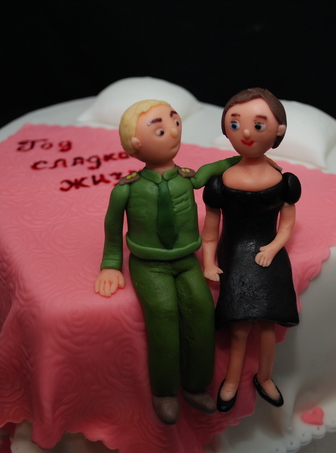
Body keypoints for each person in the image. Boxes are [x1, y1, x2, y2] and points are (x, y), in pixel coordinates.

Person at [95, 100, 238, 425]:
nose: (173, 131)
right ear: (136, 144)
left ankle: (196, 385)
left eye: (175, 122)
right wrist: (111, 264)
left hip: (187, 259)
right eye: (160, 129)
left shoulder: (186, 178)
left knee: (202, 309)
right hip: (149, 265)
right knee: (163, 314)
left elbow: (213, 169)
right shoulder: (126, 190)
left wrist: (243, 158)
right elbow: (112, 228)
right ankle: (164, 391)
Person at [201, 88, 301, 413]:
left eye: (258, 125)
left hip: (270, 255)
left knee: (269, 326)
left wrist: (272, 248)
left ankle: (265, 377)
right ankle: (231, 381)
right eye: (235, 124)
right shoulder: (220, 183)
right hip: (235, 254)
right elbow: (210, 231)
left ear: (278, 131)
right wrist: (208, 261)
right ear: (224, 128)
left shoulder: (284, 182)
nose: (245, 133)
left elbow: (286, 225)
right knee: (240, 327)